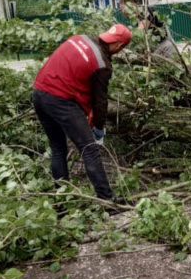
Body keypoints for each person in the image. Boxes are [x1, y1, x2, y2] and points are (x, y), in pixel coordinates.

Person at [32, 24, 132, 206]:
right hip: (60, 99)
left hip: (39, 92)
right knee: (90, 148)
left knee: (58, 148)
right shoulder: (102, 65)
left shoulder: (81, 38)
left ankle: (62, 201)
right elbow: (100, 103)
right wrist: (98, 129)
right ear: (118, 45)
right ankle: (107, 200)